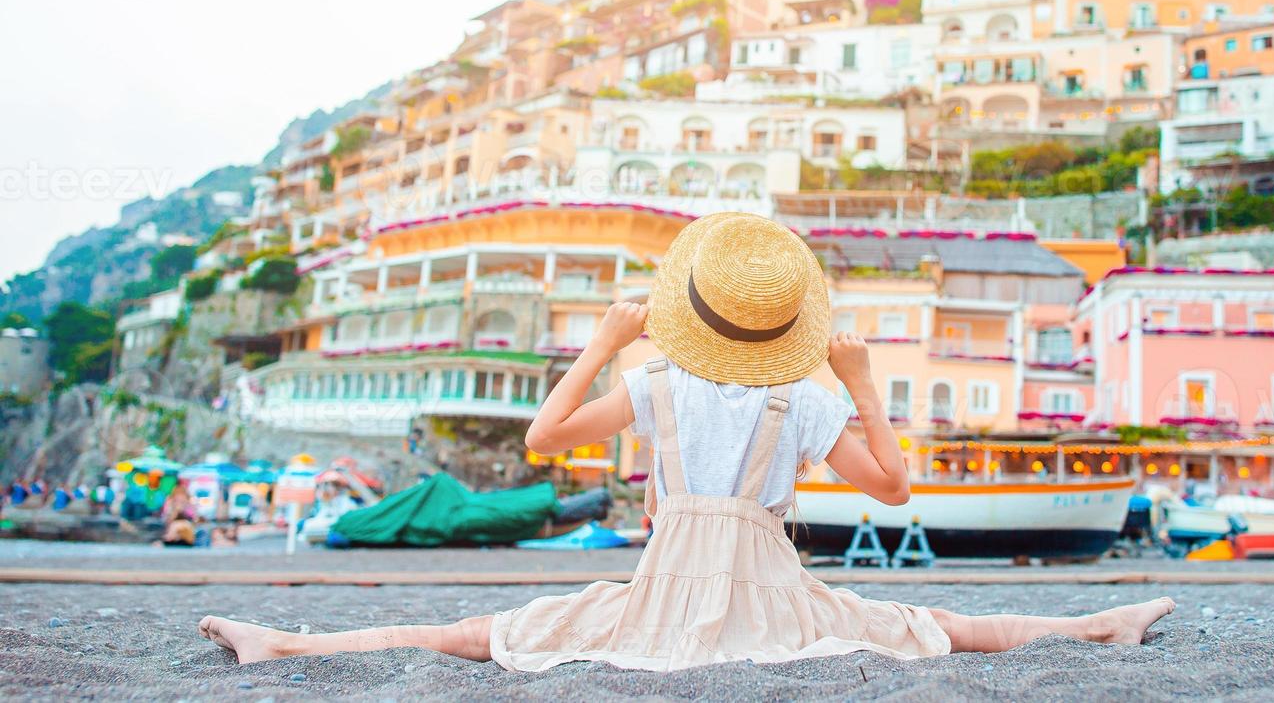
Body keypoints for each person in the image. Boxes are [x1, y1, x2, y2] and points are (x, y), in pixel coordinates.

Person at [199, 213, 1174, 667]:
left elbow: (542, 435)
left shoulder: (656, 379)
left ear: (693, 311)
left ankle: (285, 640)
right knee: (933, 627)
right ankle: (1098, 624)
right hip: (773, 598)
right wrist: (865, 381)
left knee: (486, 634)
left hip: (665, 590)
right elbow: (892, 492)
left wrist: (605, 339)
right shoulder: (806, 394)